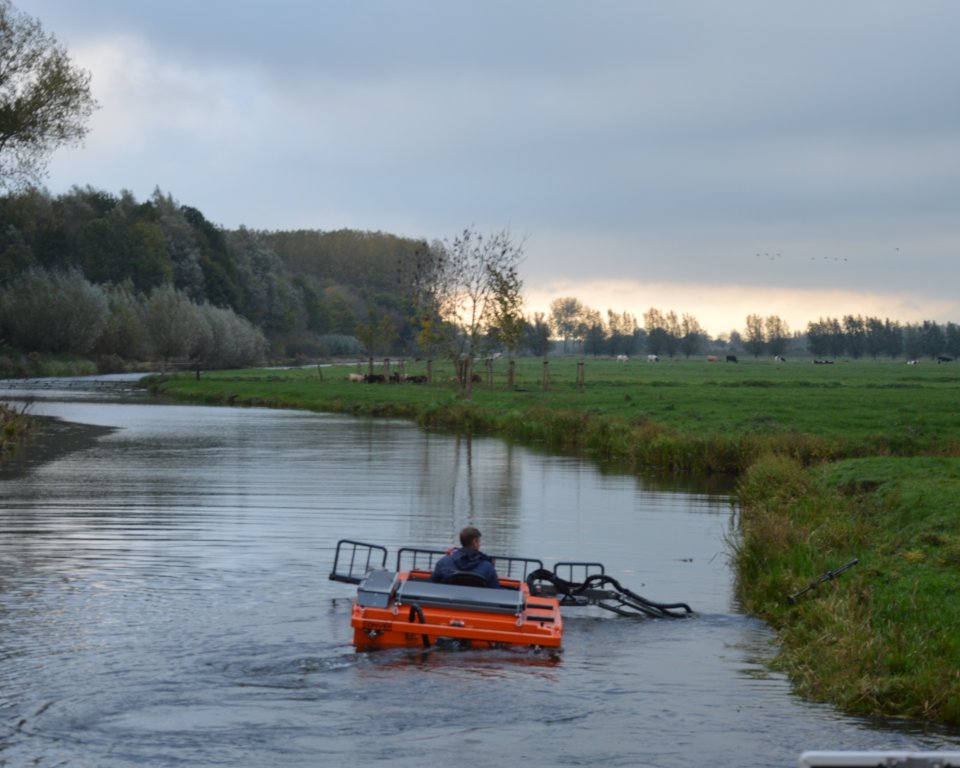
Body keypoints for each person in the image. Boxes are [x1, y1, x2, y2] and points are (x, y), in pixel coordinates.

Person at [431, 526, 499, 588]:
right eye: (479, 542)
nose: (479, 545)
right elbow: (494, 591)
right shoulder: (488, 567)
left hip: (449, 600)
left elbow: (434, 585)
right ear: (474, 541)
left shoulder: (443, 562)